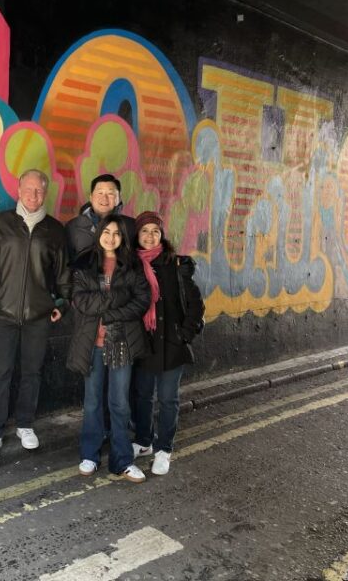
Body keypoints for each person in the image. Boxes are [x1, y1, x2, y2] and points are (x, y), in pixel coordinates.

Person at [0, 169, 70, 461]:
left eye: (40, 191)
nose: (34, 196)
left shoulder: (55, 230)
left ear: (46, 193)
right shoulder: (1, 224)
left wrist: (62, 303)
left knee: (32, 372)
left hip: (39, 316)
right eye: (29, 189)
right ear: (18, 189)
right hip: (4, 314)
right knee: (0, 372)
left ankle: (25, 424)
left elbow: (64, 273)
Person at [66, 215, 150, 482]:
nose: (111, 237)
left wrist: (110, 313)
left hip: (121, 342)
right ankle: (89, 454)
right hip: (93, 344)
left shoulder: (131, 265)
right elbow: (81, 301)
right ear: (99, 233)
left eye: (116, 233)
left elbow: (141, 301)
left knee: (119, 403)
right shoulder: (85, 262)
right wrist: (117, 296)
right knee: (92, 402)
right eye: (106, 231)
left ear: (122, 237)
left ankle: (122, 460)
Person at [131, 211, 205, 475]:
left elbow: (195, 303)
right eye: (144, 231)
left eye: (155, 231)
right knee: (141, 397)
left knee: (167, 399)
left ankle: (164, 449)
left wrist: (185, 334)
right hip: (143, 344)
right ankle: (143, 441)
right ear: (137, 236)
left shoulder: (176, 265)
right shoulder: (132, 265)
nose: (150, 236)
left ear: (162, 235)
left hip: (171, 344)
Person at [65, 173, 136, 263]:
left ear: (118, 199)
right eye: (100, 193)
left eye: (110, 193)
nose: (104, 198)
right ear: (91, 197)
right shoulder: (73, 227)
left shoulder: (131, 226)